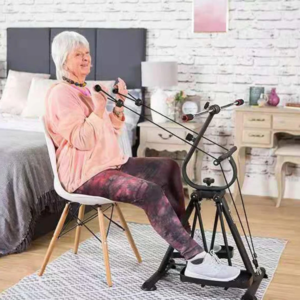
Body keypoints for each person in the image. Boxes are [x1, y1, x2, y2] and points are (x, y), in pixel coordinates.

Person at [45, 31, 240, 282]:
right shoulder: (60, 94)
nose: (86, 59)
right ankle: (197, 259)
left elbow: (110, 131)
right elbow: (82, 140)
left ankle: (184, 242)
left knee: (168, 167)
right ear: (63, 60)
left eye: (87, 53)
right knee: (148, 191)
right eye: (78, 54)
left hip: (109, 164)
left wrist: (117, 104)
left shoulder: (85, 89)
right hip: (84, 174)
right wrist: (97, 107)